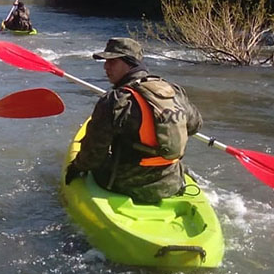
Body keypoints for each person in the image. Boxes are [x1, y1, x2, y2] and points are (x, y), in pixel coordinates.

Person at [64, 37, 202, 204]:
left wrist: (75, 167)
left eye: (112, 62)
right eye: (105, 61)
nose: (105, 67)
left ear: (130, 63)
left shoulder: (115, 101)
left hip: (126, 185)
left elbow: (93, 154)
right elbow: (194, 125)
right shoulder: (173, 91)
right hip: (171, 182)